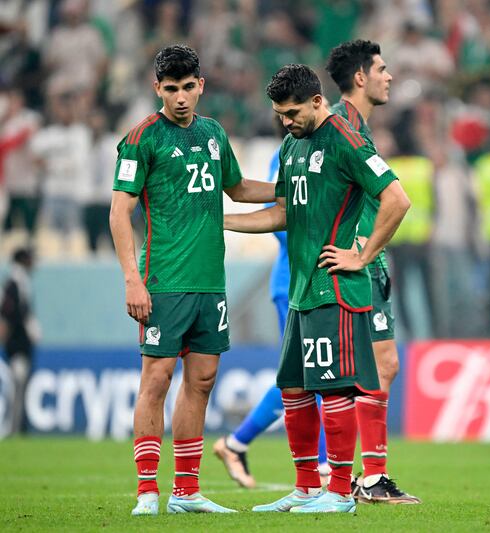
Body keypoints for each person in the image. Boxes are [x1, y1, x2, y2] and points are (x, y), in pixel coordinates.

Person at [224, 64, 409, 514]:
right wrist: (220, 223)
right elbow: (283, 212)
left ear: (316, 101)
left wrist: (361, 256)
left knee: (335, 389)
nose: (285, 121)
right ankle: (307, 487)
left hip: (336, 289)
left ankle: (341, 492)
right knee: (294, 389)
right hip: (303, 288)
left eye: (291, 112)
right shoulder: (292, 145)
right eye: (279, 114)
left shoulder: (347, 139)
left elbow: (397, 199)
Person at [109, 44, 275, 516]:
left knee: (201, 381)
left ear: (201, 85)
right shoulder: (142, 138)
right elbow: (119, 214)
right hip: (162, 281)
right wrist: (131, 280)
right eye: (170, 89)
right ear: (156, 88)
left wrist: (291, 188)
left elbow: (238, 190)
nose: (180, 97)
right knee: (156, 379)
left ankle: (185, 492)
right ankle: (146, 491)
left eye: (187, 87)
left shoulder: (214, 132)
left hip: (210, 284)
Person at [326, 38, 420, 504]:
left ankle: (364, 478)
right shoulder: (342, 128)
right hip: (353, 269)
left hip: (369, 266)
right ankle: (347, 478)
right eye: (381, 68)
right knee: (367, 369)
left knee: (382, 366)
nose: (389, 76)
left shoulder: (358, 128)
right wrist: (360, 253)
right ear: (360, 77)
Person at [213, 126, 330, 489]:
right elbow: (276, 216)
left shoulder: (325, 149)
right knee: (313, 375)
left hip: (318, 281)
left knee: (304, 377)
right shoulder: (288, 154)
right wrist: (315, 240)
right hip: (293, 282)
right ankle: (324, 468)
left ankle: (236, 443)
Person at [0, 247, 39, 435]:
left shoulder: (20, 282)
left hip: (20, 345)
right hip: (17, 346)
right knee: (16, 387)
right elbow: (9, 314)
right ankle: (13, 428)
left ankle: (16, 426)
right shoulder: (14, 283)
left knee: (19, 387)